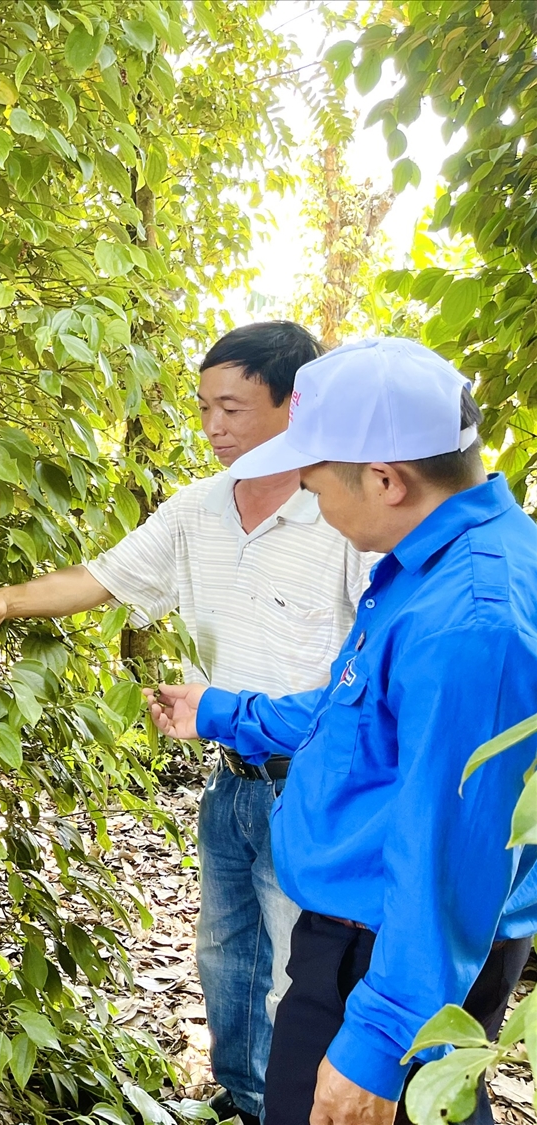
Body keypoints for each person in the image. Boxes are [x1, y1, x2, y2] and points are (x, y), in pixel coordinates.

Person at [0, 322, 374, 1125]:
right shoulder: (198, 509)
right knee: (227, 965)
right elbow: (103, 576)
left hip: (318, 788)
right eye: (204, 408)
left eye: (231, 408)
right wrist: (3, 599)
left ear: (297, 405)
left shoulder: (346, 520)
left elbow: (371, 682)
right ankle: (248, 1104)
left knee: (304, 982)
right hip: (231, 785)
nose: (212, 427)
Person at [148, 337, 537, 1125]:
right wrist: (223, 711)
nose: (311, 499)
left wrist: (378, 1037)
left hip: (389, 950)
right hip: (382, 942)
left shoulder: (470, 619)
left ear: (387, 480)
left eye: (316, 482)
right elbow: (354, 713)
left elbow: (454, 850)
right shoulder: (432, 565)